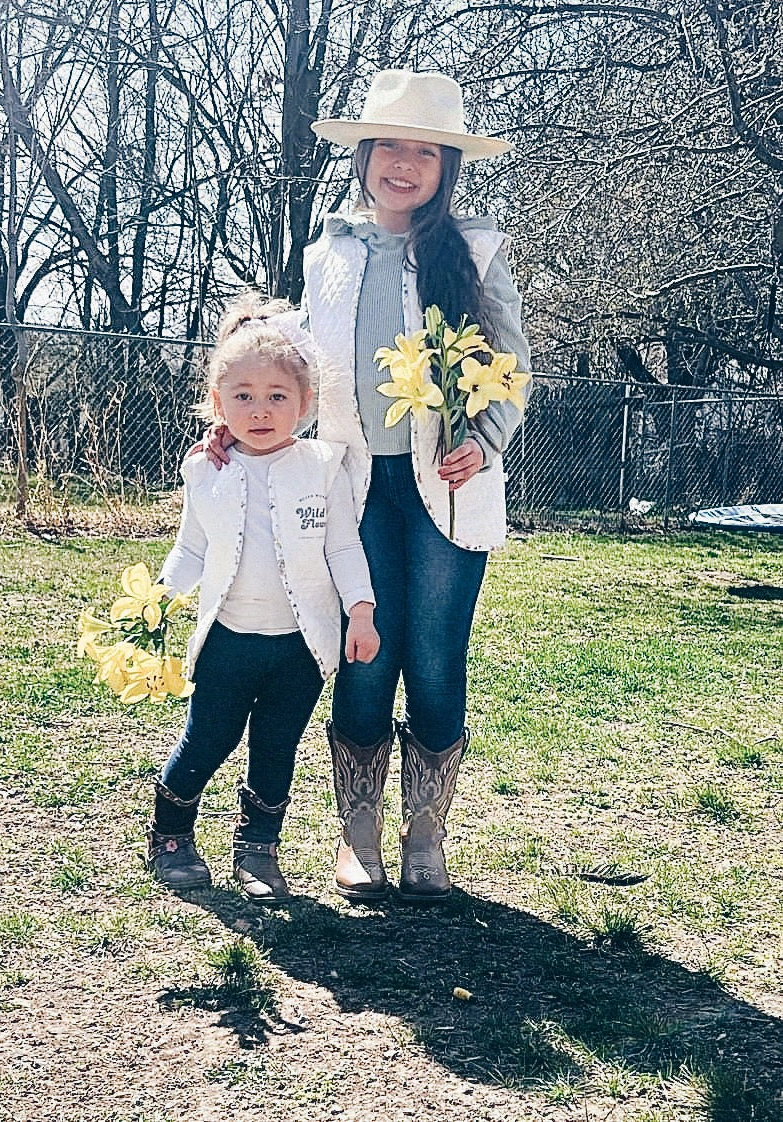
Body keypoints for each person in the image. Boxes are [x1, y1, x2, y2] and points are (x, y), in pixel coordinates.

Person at [205, 70, 531, 904]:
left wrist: (482, 440)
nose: (404, 164)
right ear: (364, 154)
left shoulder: (475, 250)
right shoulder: (329, 254)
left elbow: (511, 368)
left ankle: (426, 832)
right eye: (389, 146)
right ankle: (358, 835)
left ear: (446, 166)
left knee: (432, 661)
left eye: (425, 151)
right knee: (362, 653)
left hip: (447, 492)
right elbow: (290, 368)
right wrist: (239, 423)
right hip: (348, 487)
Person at [147, 295, 380, 905]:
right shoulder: (205, 471)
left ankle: (258, 852)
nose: (260, 409)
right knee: (208, 739)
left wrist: (361, 609)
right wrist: (153, 605)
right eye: (243, 395)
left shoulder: (325, 468)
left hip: (299, 649)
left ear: (305, 405)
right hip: (227, 641)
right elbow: (191, 551)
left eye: (278, 395)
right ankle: (170, 835)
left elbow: (343, 549)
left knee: (276, 748)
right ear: (218, 404)